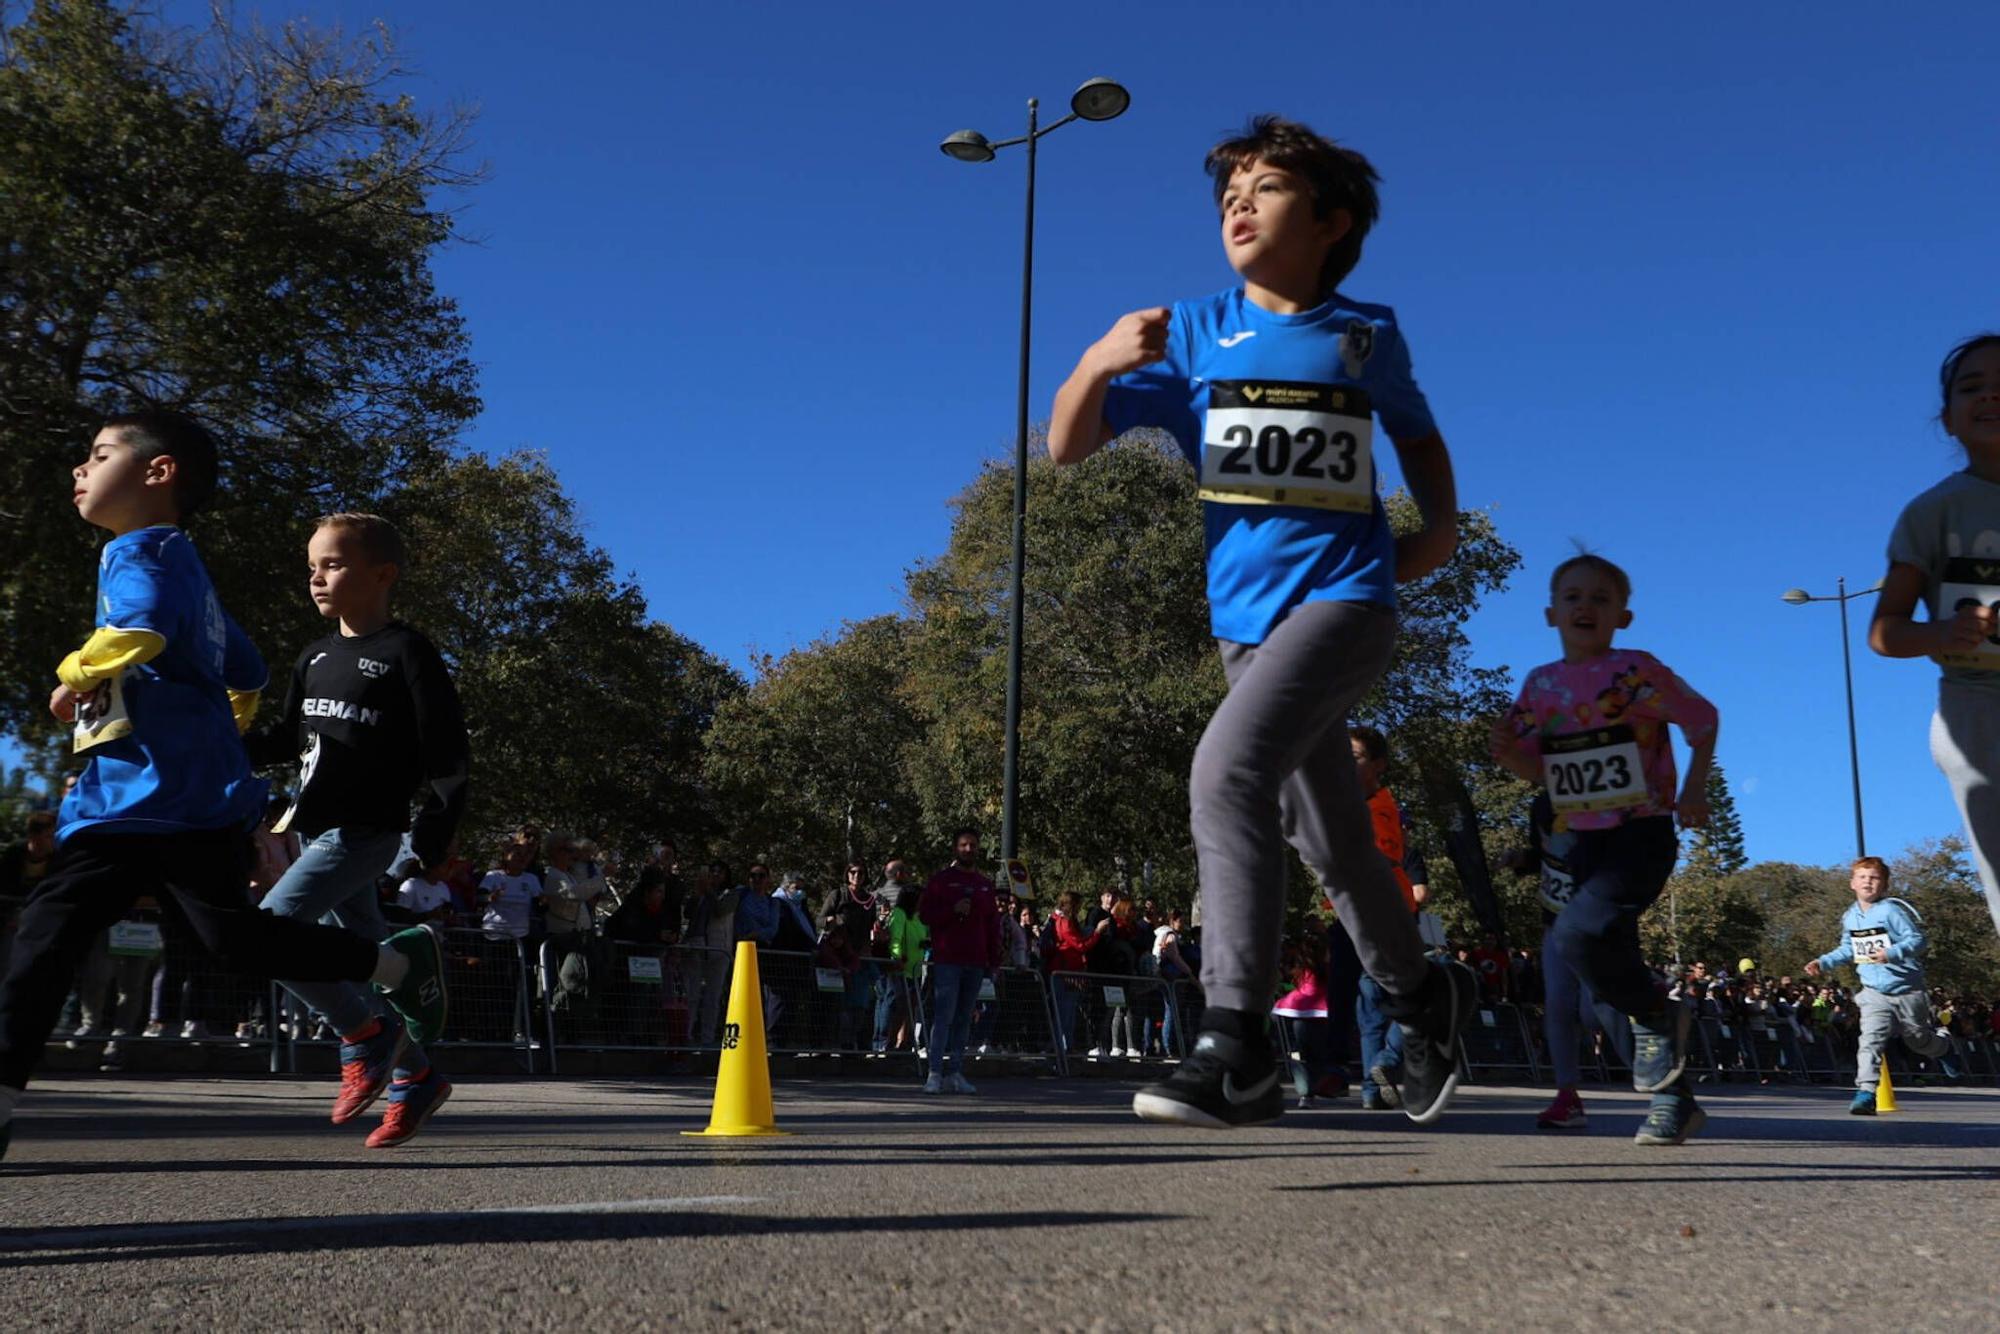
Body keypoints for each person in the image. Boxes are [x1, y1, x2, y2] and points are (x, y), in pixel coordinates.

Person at [1050, 115, 1476, 1129]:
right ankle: (1422, 996)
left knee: (1224, 774)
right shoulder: (1189, 331)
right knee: (1331, 843)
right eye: (1227, 189)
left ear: (1330, 221)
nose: (1238, 201)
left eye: (1266, 185)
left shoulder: (1361, 333)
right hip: (1245, 630)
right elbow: (1067, 444)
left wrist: (1439, 533)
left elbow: (1418, 439)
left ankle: (1232, 1040)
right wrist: (1098, 358)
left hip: (1344, 603)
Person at [0, 411, 443, 1160]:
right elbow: (247, 670)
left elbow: (136, 634)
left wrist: (71, 678)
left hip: (159, 798)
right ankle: (395, 967)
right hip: (162, 796)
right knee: (231, 938)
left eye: (99, 455)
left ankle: (387, 1005)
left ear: (158, 473)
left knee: (49, 940)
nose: (80, 469)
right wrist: (219, 732)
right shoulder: (187, 568)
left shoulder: (137, 552)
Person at [241, 510, 469, 1146]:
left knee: (270, 933)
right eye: (311, 566)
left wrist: (429, 837)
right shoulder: (314, 656)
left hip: (366, 834)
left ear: (383, 574)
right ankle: (416, 1076)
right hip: (315, 833)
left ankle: (362, 1037)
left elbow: (448, 757)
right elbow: (287, 738)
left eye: (333, 564)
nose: (316, 578)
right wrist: (218, 745)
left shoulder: (407, 652)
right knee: (377, 966)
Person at [1492, 552, 1719, 1147]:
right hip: (1583, 845)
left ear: (1624, 614)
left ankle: (1658, 1016)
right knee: (1605, 979)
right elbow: (1538, 773)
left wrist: (1693, 789)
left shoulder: (1635, 671)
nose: (1584, 606)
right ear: (1550, 613)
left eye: (1599, 597)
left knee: (1572, 938)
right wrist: (1507, 752)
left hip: (1640, 836)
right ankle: (1674, 1102)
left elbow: (1703, 718)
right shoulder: (1541, 684)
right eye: (1571, 596)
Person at [1868, 333, 2000, 944]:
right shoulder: (1931, 513)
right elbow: (1884, 632)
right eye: (1971, 386)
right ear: (1947, 418)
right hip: (1977, 710)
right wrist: (1945, 631)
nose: (1990, 395)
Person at [1507, 792, 1632, 1130]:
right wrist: (1523, 859)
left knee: (1594, 1013)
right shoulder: (1541, 805)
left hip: (1594, 921)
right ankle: (1567, 1097)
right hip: (1555, 920)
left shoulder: (1598, 795)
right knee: (1558, 1006)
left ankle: (1660, 1065)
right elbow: (1547, 854)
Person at [1805, 857, 1956, 1114]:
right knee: (1870, 1040)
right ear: (1852, 883)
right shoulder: (1850, 916)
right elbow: (1847, 948)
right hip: (1874, 992)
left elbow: (1918, 941)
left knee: (1917, 1040)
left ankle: (1943, 1048)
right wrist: (1823, 962)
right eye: (1862, 877)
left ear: (1884, 885)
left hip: (1908, 989)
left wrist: (1892, 953)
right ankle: (1865, 1092)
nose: (1868, 882)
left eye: (1874, 878)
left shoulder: (1891, 911)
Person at [916, 828, 1000, 1094]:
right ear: (955, 848)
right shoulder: (941, 880)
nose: (969, 849)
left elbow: (992, 925)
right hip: (948, 960)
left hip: (975, 961)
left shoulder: (985, 884)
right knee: (944, 1017)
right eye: (964, 844)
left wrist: (994, 959)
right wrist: (952, 911)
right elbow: (925, 915)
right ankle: (934, 1072)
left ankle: (955, 1071)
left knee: (965, 1018)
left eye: (973, 845)